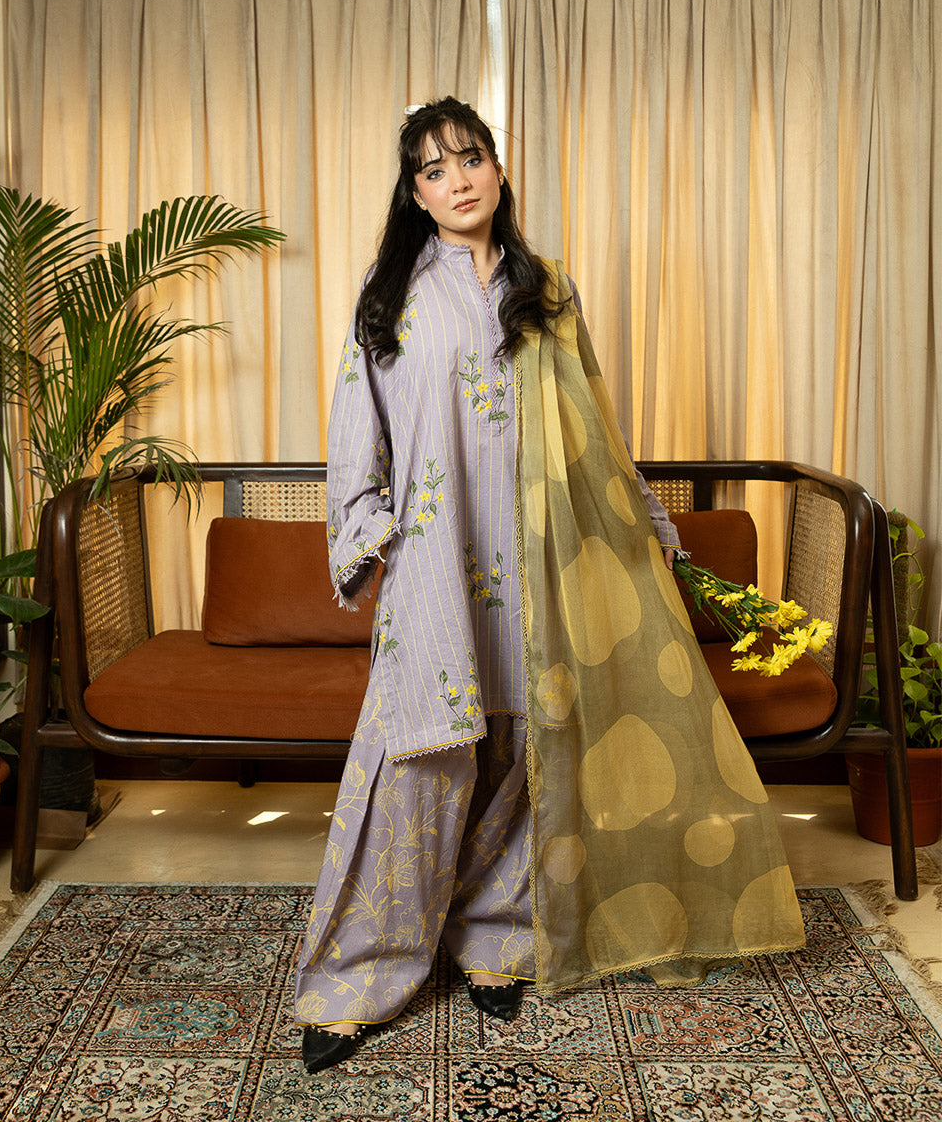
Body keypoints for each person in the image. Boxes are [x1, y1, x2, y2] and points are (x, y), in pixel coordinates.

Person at [295, 97, 805, 1074]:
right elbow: (358, 422)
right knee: (419, 764)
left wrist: (652, 535)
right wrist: (369, 530)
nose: (458, 181)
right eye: (435, 170)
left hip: (541, 559)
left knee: (521, 759)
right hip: (436, 559)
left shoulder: (548, 291)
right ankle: (358, 976)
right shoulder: (390, 290)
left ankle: (495, 936)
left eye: (470, 159)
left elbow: (597, 434)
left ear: (498, 168)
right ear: (415, 194)